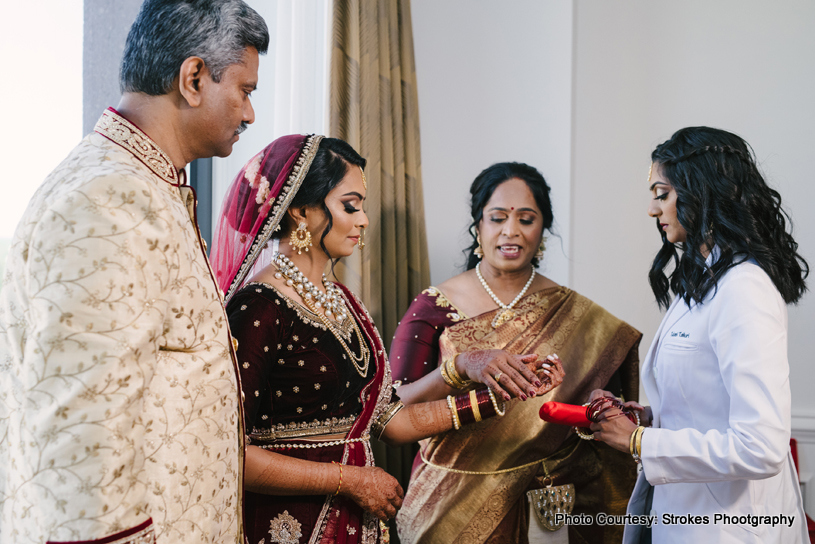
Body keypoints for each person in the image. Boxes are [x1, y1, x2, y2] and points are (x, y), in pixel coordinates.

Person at [0, 2, 269, 543]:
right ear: (193, 78)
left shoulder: (146, 186)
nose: (249, 115)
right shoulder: (111, 198)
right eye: (244, 90)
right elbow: (83, 440)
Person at [209, 135, 564, 544]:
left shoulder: (341, 300)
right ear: (301, 211)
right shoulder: (260, 307)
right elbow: (229, 452)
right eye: (349, 205)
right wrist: (349, 480)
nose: (362, 220)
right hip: (290, 526)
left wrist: (501, 392)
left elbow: (391, 420)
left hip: (356, 522)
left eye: (361, 206)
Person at [391, 162, 643, 544]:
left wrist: (597, 402)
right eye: (497, 218)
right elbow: (395, 407)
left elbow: (612, 402)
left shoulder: (575, 312)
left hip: (551, 503)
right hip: (451, 506)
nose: (511, 231)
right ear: (479, 226)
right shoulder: (434, 306)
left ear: (542, 229)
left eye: (526, 219)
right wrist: (461, 367)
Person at [589, 126, 810, 543]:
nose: (653, 210)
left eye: (662, 193)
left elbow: (759, 446)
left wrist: (639, 441)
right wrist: (650, 417)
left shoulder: (744, 288)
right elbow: (707, 403)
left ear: (702, 191)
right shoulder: (702, 283)